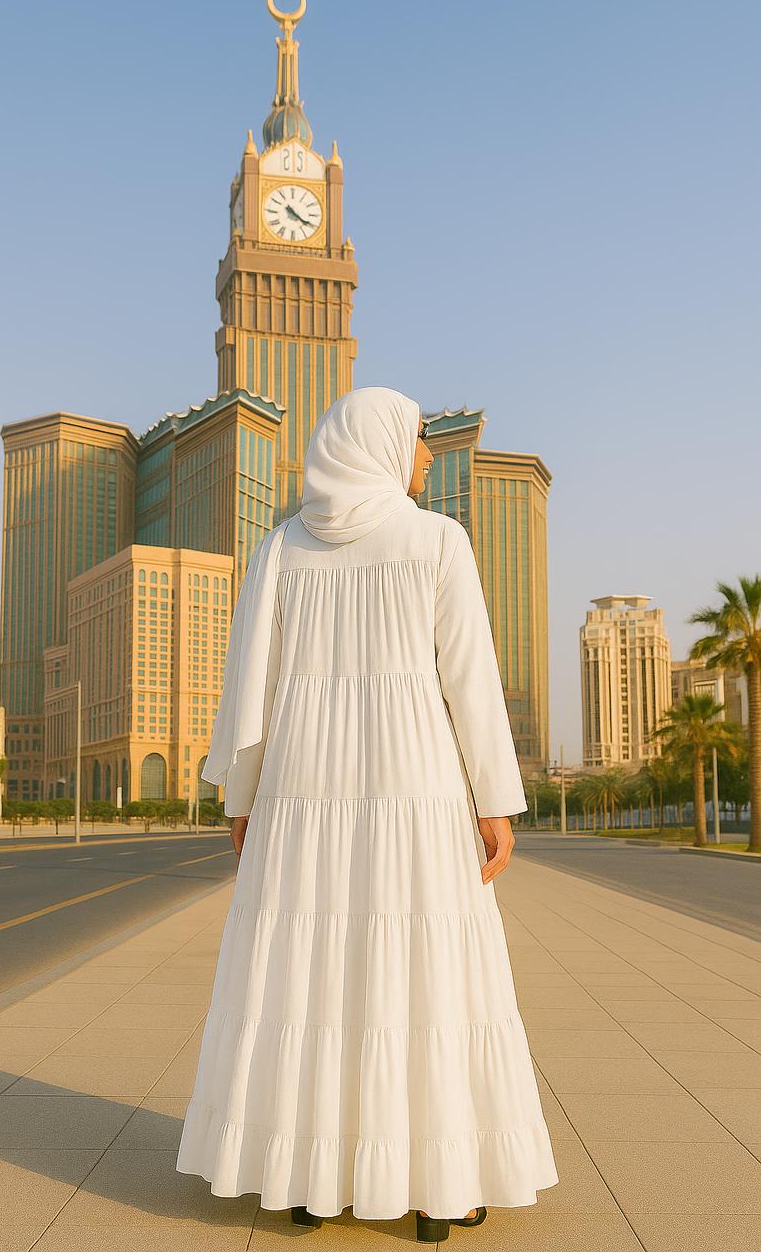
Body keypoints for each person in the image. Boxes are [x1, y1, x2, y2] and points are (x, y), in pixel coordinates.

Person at [176, 386, 559, 1243]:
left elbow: (252, 685)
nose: (427, 455)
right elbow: (468, 679)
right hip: (413, 781)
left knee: (308, 968)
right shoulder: (436, 540)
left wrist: (243, 798)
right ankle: (437, 1186)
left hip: (301, 789)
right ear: (383, 443)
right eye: (420, 439)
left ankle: (310, 1179)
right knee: (424, 968)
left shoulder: (281, 547)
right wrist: (493, 799)